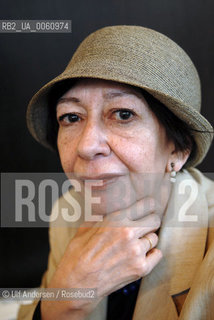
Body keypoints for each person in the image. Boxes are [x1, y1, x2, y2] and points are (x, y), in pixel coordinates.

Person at [18, 25, 214, 320]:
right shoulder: (68, 214)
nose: (86, 146)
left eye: (123, 114)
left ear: (178, 150)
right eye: (71, 117)